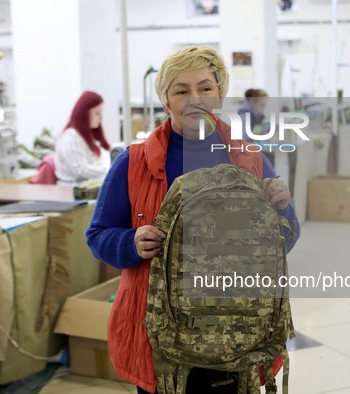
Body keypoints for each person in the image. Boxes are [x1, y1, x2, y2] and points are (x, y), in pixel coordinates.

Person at [86, 46, 300, 394]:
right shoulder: (133, 163)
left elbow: (286, 240)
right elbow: (98, 236)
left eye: (205, 88)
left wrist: (281, 209)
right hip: (161, 335)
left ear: (219, 96)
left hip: (238, 329)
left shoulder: (250, 160)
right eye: (181, 90)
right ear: (167, 102)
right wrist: (130, 243)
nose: (195, 99)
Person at [54, 91, 111, 185]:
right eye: (97, 113)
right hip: (73, 192)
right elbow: (81, 171)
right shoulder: (70, 137)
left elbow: (103, 157)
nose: (101, 118)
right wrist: (109, 168)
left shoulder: (89, 136)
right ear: (84, 113)